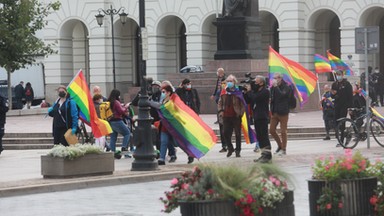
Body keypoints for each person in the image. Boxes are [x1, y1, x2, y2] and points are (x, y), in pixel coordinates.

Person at [244, 75, 272, 163]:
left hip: (262, 117)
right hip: (256, 116)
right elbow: (249, 100)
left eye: (256, 82)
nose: (254, 84)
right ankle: (263, 154)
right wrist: (245, 93)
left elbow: (256, 98)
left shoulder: (265, 91)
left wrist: (249, 92)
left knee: (264, 136)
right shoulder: (255, 91)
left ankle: (268, 156)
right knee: (259, 137)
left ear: (262, 83)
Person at [218, 74, 245, 158]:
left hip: (236, 115)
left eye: (231, 81)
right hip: (226, 115)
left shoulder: (238, 91)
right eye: (228, 81)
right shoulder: (224, 91)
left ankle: (238, 150)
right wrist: (221, 111)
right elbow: (220, 102)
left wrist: (240, 113)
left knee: (237, 134)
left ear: (234, 82)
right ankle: (230, 148)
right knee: (225, 132)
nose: (229, 82)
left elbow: (243, 104)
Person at [150, 84, 178, 165]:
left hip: (172, 125)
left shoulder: (171, 102)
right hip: (164, 125)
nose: (162, 93)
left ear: (169, 93)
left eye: (163, 92)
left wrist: (149, 102)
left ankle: (189, 154)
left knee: (179, 142)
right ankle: (162, 158)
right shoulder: (163, 100)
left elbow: (161, 107)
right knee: (164, 141)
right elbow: (159, 106)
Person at [270, 73, 292, 156]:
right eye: (274, 78)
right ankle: (280, 145)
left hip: (283, 112)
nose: (275, 79)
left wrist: (275, 87)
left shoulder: (286, 87)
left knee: (283, 131)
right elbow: (272, 98)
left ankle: (284, 149)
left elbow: (282, 96)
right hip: (275, 112)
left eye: (276, 78)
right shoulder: (273, 87)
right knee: (271, 130)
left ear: (280, 79)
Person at [331, 70, 353, 147]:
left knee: (342, 122)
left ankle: (342, 140)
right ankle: (340, 137)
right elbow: (332, 95)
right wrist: (333, 95)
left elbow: (350, 96)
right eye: (337, 75)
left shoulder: (347, 84)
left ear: (342, 75)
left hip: (344, 106)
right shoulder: (334, 84)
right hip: (337, 106)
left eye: (339, 74)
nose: (338, 76)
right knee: (336, 122)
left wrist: (350, 107)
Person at [107, 89, 131, 158]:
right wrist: (126, 106)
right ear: (117, 95)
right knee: (127, 133)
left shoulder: (109, 102)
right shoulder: (116, 102)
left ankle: (112, 153)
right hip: (117, 121)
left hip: (111, 121)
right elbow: (121, 111)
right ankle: (124, 147)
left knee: (113, 138)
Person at [210, 68, 228, 152]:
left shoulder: (225, 80)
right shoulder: (219, 79)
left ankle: (226, 145)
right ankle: (224, 145)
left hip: (223, 103)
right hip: (219, 101)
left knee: (225, 127)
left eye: (219, 72)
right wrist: (214, 94)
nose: (218, 74)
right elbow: (216, 88)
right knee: (222, 125)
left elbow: (223, 91)